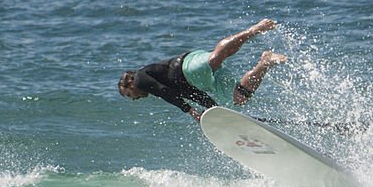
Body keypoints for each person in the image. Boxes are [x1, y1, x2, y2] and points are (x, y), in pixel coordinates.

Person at [118, 19, 287, 121]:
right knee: (239, 97)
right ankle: (265, 62)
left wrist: (190, 112)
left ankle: (254, 30)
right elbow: (191, 93)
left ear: (131, 83)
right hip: (200, 80)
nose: (133, 99)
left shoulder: (140, 78)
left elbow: (165, 93)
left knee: (215, 58)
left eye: (128, 94)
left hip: (187, 68)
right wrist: (214, 109)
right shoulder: (162, 83)